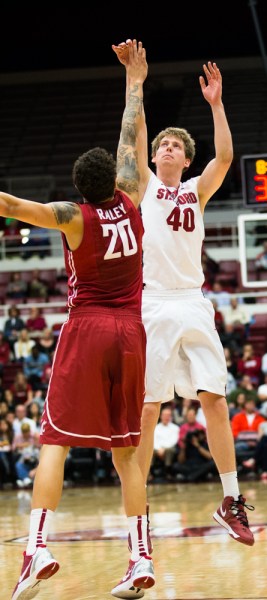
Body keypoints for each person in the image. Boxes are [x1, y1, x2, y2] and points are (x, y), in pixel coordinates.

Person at [3, 42, 154, 600]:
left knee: (54, 441)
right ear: (114, 180)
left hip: (88, 328)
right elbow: (129, 134)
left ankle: (36, 548)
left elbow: (14, 207)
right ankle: (140, 559)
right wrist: (134, 80)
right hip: (132, 333)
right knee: (125, 455)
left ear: (78, 190)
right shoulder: (132, 199)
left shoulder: (74, 218)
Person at [113, 39, 255, 552]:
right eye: (164, 146)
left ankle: (231, 498)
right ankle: (141, 509)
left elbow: (225, 156)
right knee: (149, 410)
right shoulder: (146, 185)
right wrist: (138, 82)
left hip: (193, 301)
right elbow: (140, 132)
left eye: (177, 147)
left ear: (186, 158)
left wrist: (216, 105)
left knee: (215, 399)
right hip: (151, 303)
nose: (169, 149)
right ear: (155, 158)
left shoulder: (196, 188)